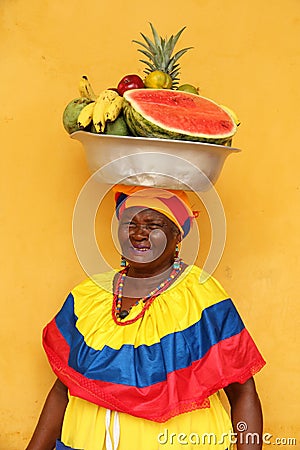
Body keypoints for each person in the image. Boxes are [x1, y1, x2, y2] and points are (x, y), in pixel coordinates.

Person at [26, 186, 265, 450]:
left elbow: (243, 393)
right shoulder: (88, 295)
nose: (139, 233)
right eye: (130, 223)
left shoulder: (201, 296)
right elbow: (63, 388)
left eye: (154, 225)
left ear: (177, 236)